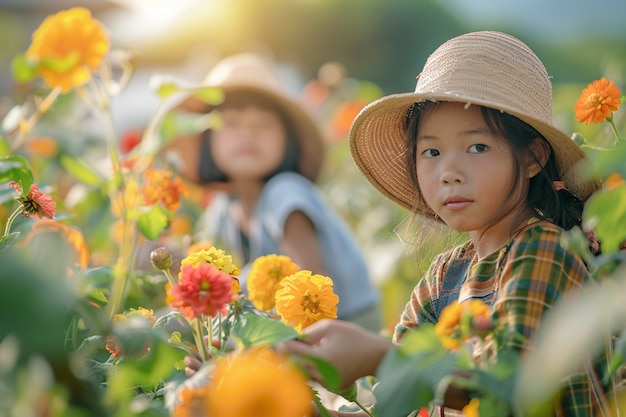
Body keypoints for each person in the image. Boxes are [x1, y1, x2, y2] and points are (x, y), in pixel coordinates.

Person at [278, 31, 611, 416]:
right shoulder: (444, 276)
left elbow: (507, 391)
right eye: (432, 151)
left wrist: (376, 357)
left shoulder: (544, 249)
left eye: (477, 147)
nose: (449, 172)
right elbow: (396, 402)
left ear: (533, 157)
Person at [162, 53, 381, 335]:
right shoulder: (223, 208)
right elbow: (215, 277)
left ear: (288, 138)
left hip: (346, 334)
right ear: (206, 137)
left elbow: (310, 294)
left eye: (263, 123)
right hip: (282, 329)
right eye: (231, 123)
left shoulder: (285, 193)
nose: (248, 133)